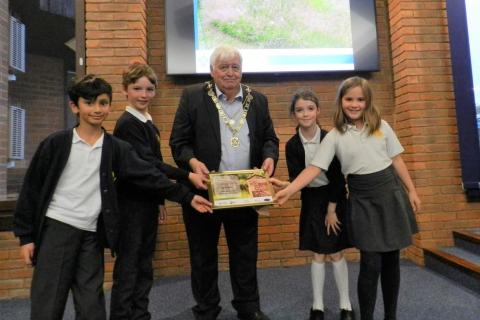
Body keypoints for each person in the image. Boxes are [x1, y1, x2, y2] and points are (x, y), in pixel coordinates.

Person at [13, 75, 212, 320]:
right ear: (75, 106)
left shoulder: (116, 148)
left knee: (91, 307)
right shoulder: (55, 144)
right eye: (89, 103)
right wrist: (26, 237)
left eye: (103, 103)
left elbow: (149, 175)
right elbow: (31, 190)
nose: (97, 109)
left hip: (91, 236)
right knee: (48, 304)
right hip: (57, 229)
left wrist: (187, 197)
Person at [271, 77, 420, 320]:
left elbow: (397, 161)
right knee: (370, 263)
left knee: (392, 261)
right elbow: (314, 169)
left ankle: (391, 316)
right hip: (362, 201)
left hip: (390, 195)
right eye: (349, 99)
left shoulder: (382, 126)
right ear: (341, 101)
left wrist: (412, 191)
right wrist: (289, 190)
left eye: (360, 99)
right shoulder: (335, 136)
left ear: (367, 101)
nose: (354, 104)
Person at [169, 46, 279, 320]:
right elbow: (178, 143)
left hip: (244, 191)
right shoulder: (193, 96)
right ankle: (206, 309)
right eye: (224, 67)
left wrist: (269, 158)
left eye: (236, 67)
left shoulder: (258, 100)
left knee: (245, 253)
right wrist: (193, 163)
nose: (231, 72)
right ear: (212, 71)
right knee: (203, 255)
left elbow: (270, 139)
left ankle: (248, 307)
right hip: (205, 192)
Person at [109, 63, 208, 320]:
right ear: (125, 91)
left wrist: (161, 199)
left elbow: (155, 163)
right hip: (130, 206)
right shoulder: (128, 124)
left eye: (149, 89)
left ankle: (140, 314)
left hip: (146, 203)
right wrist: (186, 179)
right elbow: (147, 167)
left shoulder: (146, 122)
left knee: (144, 265)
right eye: (137, 88)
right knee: (129, 268)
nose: (144, 94)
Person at [285, 89, 354, 320]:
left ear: (318, 111)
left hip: (333, 197)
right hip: (312, 200)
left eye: (310, 109)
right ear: (294, 115)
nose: (305, 114)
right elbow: (298, 179)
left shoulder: (330, 138)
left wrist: (332, 209)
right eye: (299, 110)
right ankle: (317, 306)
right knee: (317, 254)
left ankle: (346, 306)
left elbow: (337, 177)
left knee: (335, 253)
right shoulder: (291, 145)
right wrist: (285, 186)